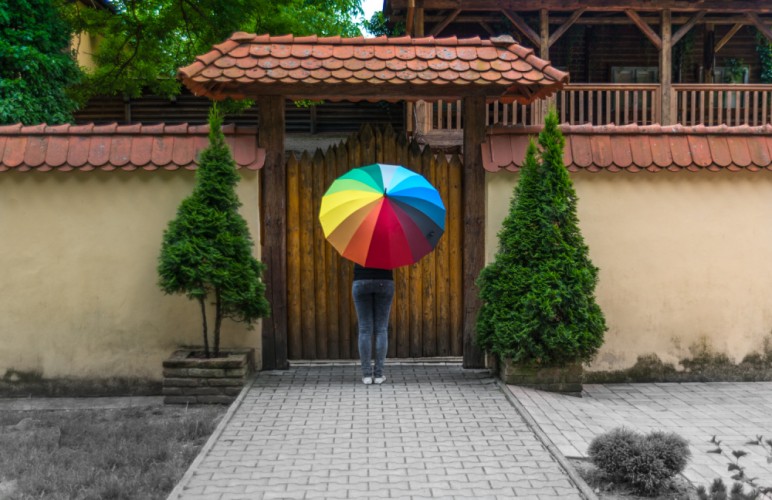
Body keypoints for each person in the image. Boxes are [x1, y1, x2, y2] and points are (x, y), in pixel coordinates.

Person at [352, 263, 394, 385]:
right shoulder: (389, 243)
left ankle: (366, 376)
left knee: (364, 329)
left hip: (361, 280)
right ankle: (379, 375)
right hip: (384, 280)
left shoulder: (358, 243)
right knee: (381, 329)